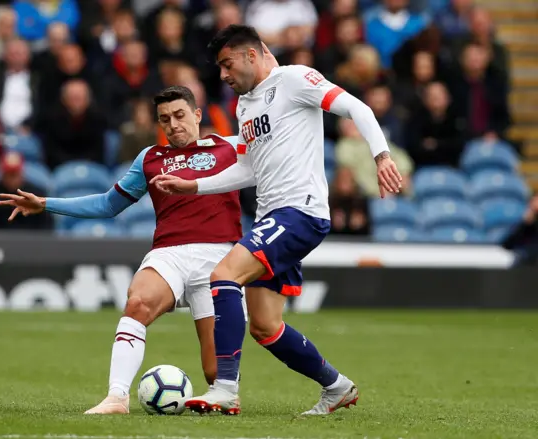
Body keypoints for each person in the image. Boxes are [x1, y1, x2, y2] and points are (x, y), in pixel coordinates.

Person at [151, 24, 403, 416]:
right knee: (265, 327)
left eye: (226, 64)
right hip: (273, 217)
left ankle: (225, 389)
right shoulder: (245, 106)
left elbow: (358, 107)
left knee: (223, 276)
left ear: (252, 55)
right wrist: (194, 186)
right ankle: (337, 387)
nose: (222, 75)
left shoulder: (294, 79)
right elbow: (249, 169)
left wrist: (381, 156)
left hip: (300, 211)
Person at [0, 85, 245, 415]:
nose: (173, 124)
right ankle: (117, 398)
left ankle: (224, 392)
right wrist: (46, 203)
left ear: (198, 115)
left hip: (218, 260)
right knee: (138, 302)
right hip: (169, 253)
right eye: (164, 119)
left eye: (180, 115)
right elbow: (108, 204)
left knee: (216, 372)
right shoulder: (151, 158)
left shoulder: (232, 148)